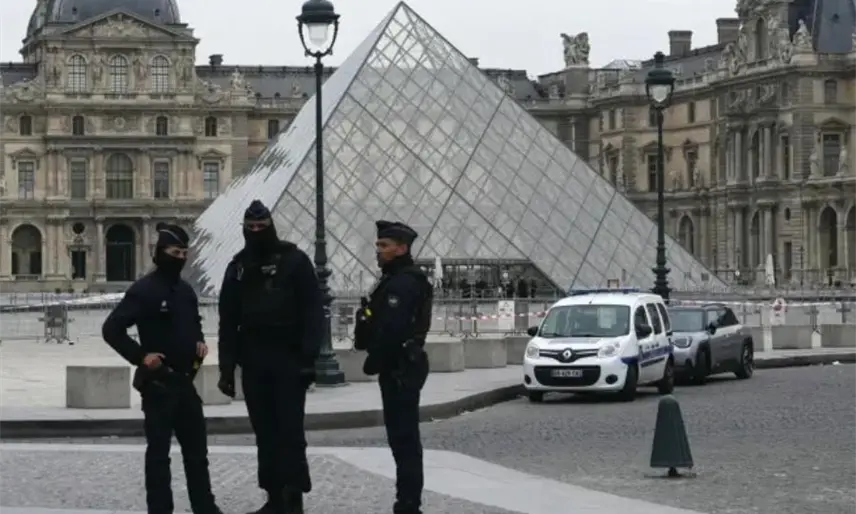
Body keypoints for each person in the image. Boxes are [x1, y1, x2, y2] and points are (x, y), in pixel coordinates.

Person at [102, 224, 221, 514]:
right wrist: (141, 356)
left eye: (184, 253)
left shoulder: (186, 291)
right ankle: (159, 510)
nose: (180, 257)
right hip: (158, 385)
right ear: (160, 253)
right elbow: (111, 329)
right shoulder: (144, 290)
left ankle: (204, 507)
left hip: (185, 382)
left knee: (198, 453)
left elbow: (194, 325)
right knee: (159, 455)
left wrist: (200, 342)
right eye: (174, 252)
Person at [216, 200, 323, 514]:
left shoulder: (295, 260)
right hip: (254, 358)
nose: (256, 232)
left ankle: (293, 498)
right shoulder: (237, 266)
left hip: (288, 357)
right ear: (244, 230)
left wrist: (308, 359)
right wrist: (226, 369)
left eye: (262, 228)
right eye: (251, 228)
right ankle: (274, 496)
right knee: (264, 432)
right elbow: (227, 320)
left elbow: (313, 312)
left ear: (271, 226)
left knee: (290, 430)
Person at [354, 221, 432, 514]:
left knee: (404, 440)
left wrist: (373, 361)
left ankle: (409, 504)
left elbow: (392, 330)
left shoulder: (404, 282)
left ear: (402, 248)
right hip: (400, 366)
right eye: (378, 245)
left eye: (384, 246)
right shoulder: (397, 278)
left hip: (400, 368)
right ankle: (407, 501)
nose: (379, 251)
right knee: (402, 438)